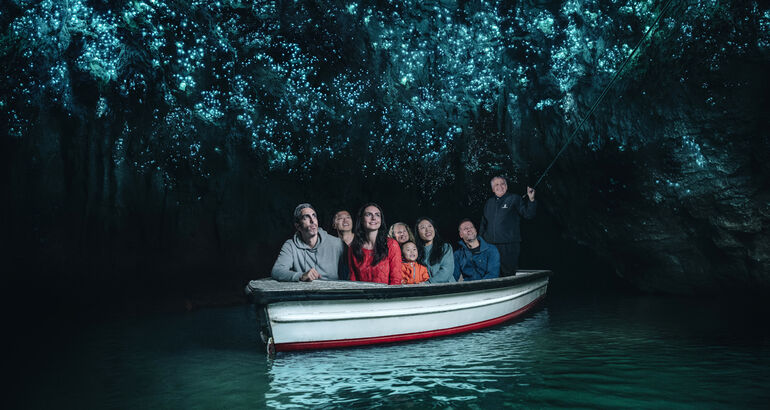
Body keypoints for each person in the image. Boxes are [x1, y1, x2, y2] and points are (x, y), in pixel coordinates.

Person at [271, 203, 345, 282]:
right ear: (298, 226)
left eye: (314, 216)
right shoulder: (290, 245)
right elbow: (277, 271)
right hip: (305, 293)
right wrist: (301, 276)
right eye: (306, 217)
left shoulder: (337, 244)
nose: (312, 221)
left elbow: (350, 273)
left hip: (332, 292)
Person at [479, 176, 536, 276]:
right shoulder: (489, 202)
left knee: (508, 272)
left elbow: (528, 214)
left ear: (506, 186)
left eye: (502, 184)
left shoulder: (514, 198)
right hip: (490, 245)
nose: (500, 186)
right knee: (491, 272)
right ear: (493, 189)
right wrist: (481, 241)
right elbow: (484, 223)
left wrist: (531, 200)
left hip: (509, 245)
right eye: (496, 184)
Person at [348, 203, 402, 285]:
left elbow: (396, 280)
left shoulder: (391, 244)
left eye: (377, 215)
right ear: (361, 220)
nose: (373, 218)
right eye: (368, 214)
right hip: (362, 296)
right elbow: (353, 279)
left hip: (387, 296)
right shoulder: (353, 248)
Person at [415, 217, 456, 283]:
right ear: (418, 232)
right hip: (427, 290)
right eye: (423, 227)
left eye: (430, 226)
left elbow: (446, 272)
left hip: (447, 288)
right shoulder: (416, 252)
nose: (427, 230)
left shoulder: (445, 247)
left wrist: (428, 283)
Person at [331, 209, 354, 280]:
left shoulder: (363, 242)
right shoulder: (331, 245)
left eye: (348, 217)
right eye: (340, 218)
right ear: (334, 225)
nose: (345, 220)